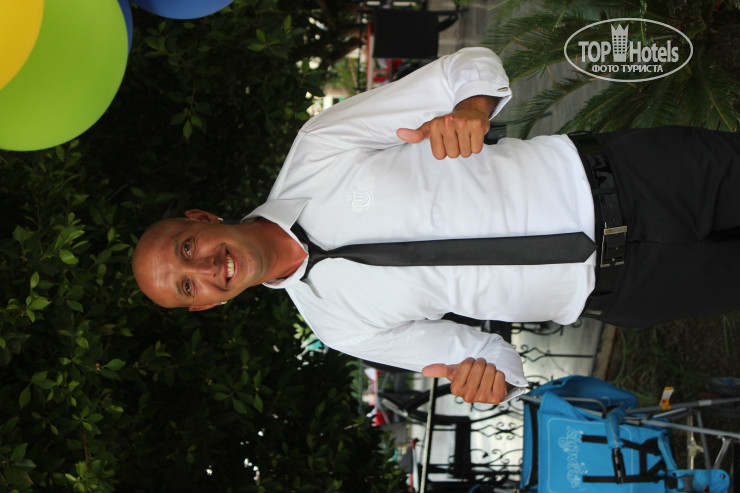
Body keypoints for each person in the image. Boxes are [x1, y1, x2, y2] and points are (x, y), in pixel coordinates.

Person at [133, 47, 740, 405]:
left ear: (202, 219)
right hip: (632, 288)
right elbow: (486, 358)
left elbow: (466, 68)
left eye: (188, 247)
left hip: (637, 176)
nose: (205, 267)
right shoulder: (339, 325)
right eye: (188, 285)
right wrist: (490, 383)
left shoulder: (319, 149)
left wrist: (470, 108)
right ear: (205, 305)